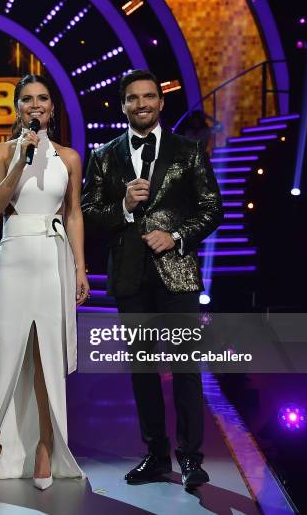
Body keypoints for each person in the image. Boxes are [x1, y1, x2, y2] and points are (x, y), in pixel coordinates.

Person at [81, 69, 223, 489]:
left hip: (176, 275)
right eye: (132, 98)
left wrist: (176, 235)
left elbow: (213, 208)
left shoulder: (188, 150)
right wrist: (124, 206)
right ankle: (156, 455)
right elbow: (89, 211)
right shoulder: (104, 156)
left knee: (185, 369)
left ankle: (191, 458)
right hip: (130, 277)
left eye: (148, 97)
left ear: (161, 102)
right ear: (122, 105)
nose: (141, 104)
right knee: (143, 372)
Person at [0, 74, 88, 492]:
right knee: (3, 356)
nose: (35, 105)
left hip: (52, 260)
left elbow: (74, 213)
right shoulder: (0, 152)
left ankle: (46, 446)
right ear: (16, 108)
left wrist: (81, 268)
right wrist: (19, 160)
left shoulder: (69, 157)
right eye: (27, 99)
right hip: (11, 259)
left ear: (52, 107)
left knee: (47, 358)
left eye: (42, 98)